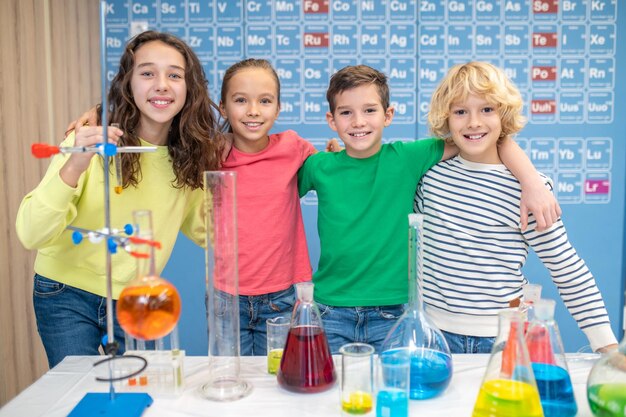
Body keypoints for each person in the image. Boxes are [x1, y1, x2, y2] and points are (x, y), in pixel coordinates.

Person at [298, 65, 561, 353]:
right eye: (346, 112)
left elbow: (483, 138)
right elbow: (274, 188)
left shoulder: (408, 157)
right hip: (330, 309)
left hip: (393, 312)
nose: (358, 121)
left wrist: (530, 180)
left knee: (395, 387)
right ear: (331, 120)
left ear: (388, 116)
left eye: (369, 110)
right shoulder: (318, 166)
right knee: (330, 393)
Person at [15, 31, 223, 368]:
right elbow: (31, 233)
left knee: (140, 392)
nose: (162, 84)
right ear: (127, 83)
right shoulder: (90, 139)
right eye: (147, 73)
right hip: (64, 294)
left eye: (174, 75)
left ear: (190, 88)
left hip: (138, 298)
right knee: (81, 394)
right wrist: (76, 162)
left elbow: (209, 231)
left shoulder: (189, 158)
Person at [414, 61, 617, 354]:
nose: (473, 122)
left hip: (502, 340)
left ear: (503, 113)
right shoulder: (430, 174)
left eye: (487, 109)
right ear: (446, 117)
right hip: (432, 337)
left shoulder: (528, 190)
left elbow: (567, 268)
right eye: (461, 111)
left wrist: (606, 346)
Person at [218, 59, 317, 355]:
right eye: (240, 100)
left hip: (283, 295)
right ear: (223, 107)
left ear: (278, 108)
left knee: (280, 381)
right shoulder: (210, 152)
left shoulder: (293, 147)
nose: (253, 111)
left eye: (264, 101)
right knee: (231, 380)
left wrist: (337, 151)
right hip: (226, 295)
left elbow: (331, 170)